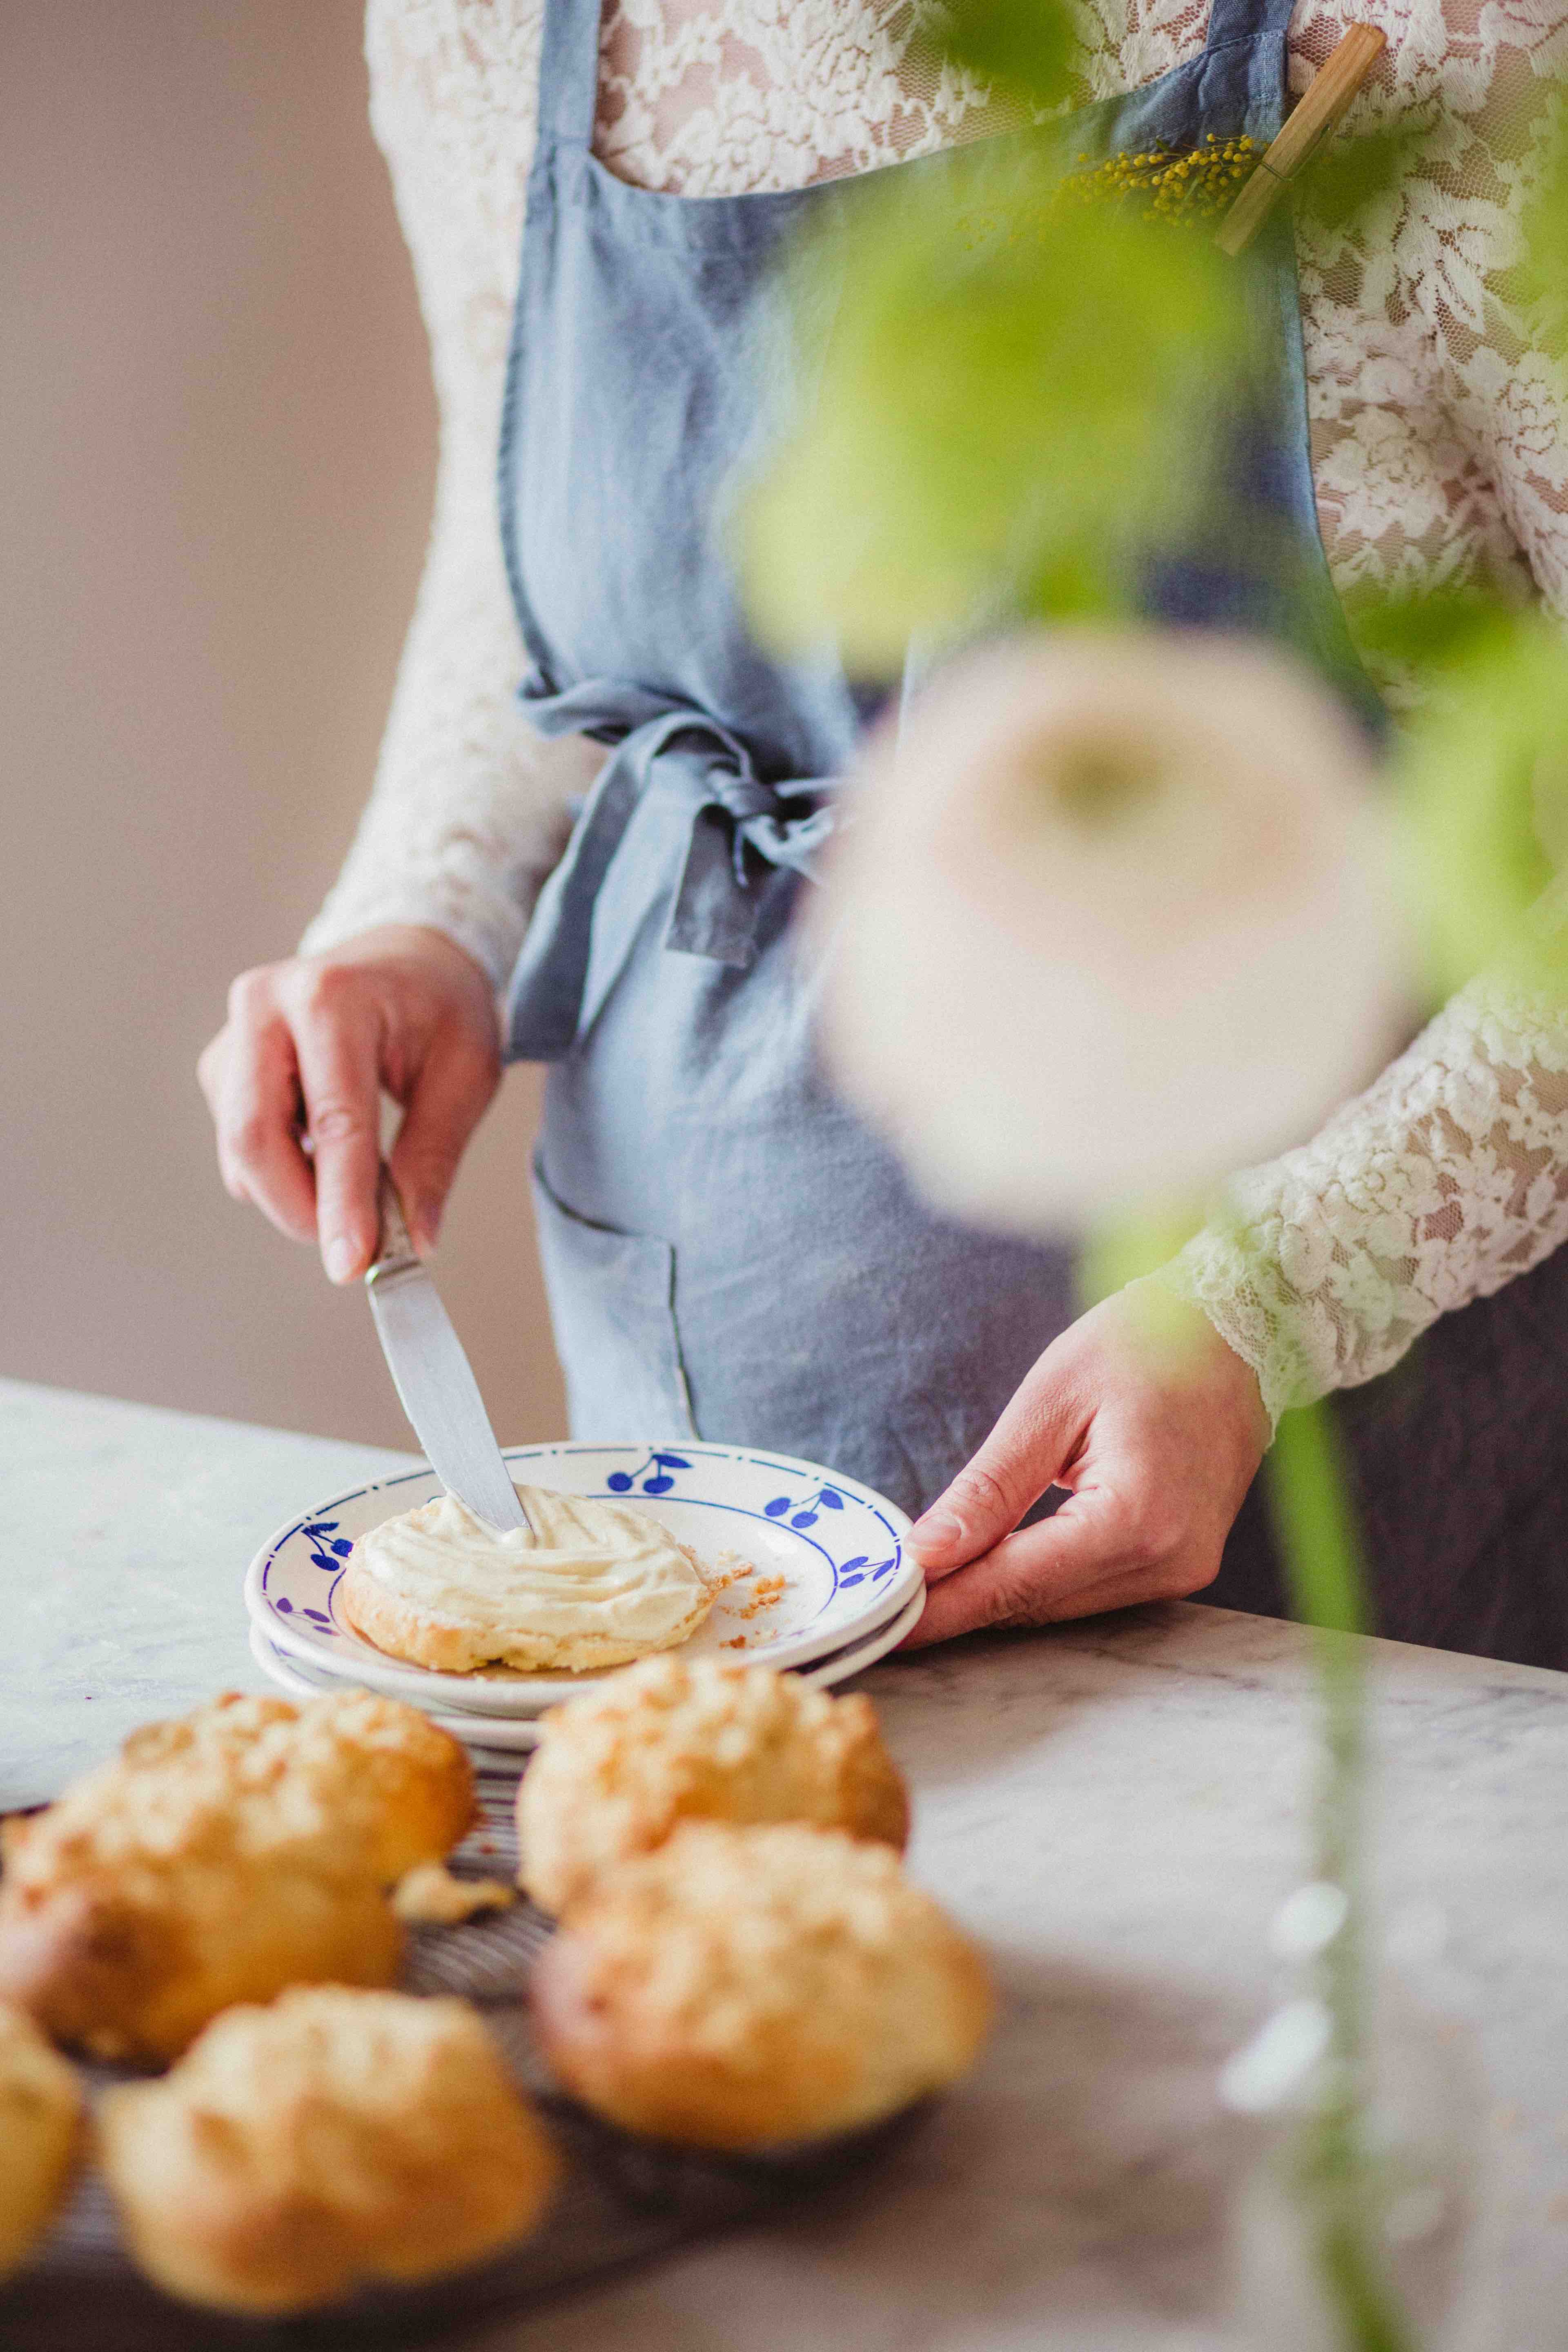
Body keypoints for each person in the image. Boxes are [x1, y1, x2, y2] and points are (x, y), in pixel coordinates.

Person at [199, 0, 1568, 1668]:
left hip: (1352, 1456)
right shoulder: (474, 30)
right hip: (692, 1411)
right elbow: (533, 558)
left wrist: (1271, 1308)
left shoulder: (1450, 32)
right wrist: (421, 913)